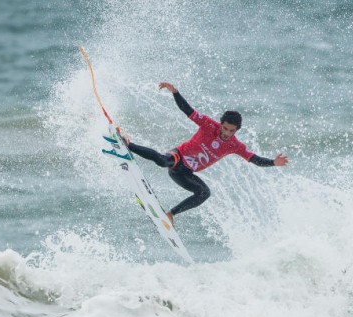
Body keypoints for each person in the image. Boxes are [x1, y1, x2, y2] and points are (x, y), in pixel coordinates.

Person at [122, 82, 288, 225]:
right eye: (224, 128)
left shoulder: (235, 145)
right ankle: (129, 145)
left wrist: (273, 162)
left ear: (237, 130)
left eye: (231, 131)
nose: (226, 133)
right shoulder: (209, 125)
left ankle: (170, 214)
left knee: (204, 193)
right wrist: (175, 92)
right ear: (220, 124)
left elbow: (254, 159)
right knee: (163, 161)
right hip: (178, 157)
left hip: (185, 173)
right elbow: (187, 110)